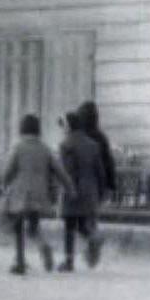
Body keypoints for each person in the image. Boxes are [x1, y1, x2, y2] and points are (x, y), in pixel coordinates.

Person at [2, 114, 75, 275]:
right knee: (33, 227)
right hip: (39, 195)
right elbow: (59, 170)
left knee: (18, 226)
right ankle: (44, 246)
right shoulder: (45, 148)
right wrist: (69, 187)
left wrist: (4, 183)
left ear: (22, 129)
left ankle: (20, 262)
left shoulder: (18, 147)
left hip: (20, 195)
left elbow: (8, 170)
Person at [58, 111, 107, 272]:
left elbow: (68, 171)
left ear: (69, 125)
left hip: (74, 189)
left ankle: (69, 262)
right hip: (90, 191)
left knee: (69, 227)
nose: (62, 129)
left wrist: (68, 189)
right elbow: (100, 171)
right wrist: (101, 192)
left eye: (63, 125)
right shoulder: (92, 145)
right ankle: (94, 237)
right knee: (81, 224)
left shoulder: (66, 144)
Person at [77, 101, 116, 200]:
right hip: (96, 184)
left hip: (78, 184)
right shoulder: (101, 137)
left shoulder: (77, 137)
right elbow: (108, 162)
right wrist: (111, 185)